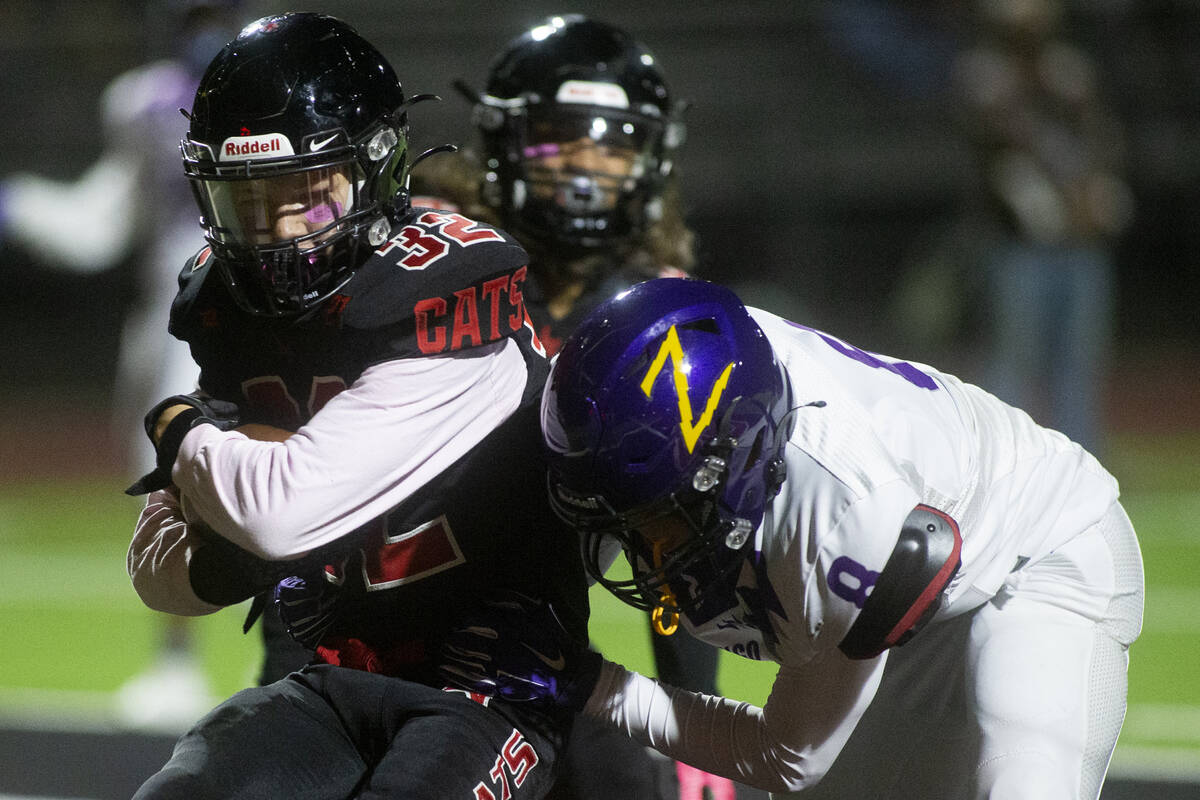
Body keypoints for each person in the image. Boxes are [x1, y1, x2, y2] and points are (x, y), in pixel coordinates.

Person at [439, 277, 1145, 799]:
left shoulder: (844, 523)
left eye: (651, 517)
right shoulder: (714, 396)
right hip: (906, 598)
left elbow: (786, 759)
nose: (635, 546)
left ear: (736, 465)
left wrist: (592, 684)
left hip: (1040, 554)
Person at [125, 13, 588, 798]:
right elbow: (154, 573)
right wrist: (222, 556)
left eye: (304, 196)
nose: (277, 236)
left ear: (376, 170)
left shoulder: (442, 295)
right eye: (249, 202)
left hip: (490, 683)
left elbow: (279, 510)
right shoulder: (230, 312)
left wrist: (180, 431)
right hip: (337, 666)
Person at [425, 16, 752, 800]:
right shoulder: (437, 260)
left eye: (612, 144)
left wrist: (696, 732)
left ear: (651, 158)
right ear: (502, 140)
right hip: (388, 624)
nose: (584, 163)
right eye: (556, 136)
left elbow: (675, 548)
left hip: (535, 657)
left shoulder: (662, 311)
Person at [0, 0, 245, 731]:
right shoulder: (143, 102)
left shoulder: (278, 92)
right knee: (161, 477)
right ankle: (177, 658)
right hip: (168, 316)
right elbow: (110, 220)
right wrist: (21, 206)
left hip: (256, 306)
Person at [952, 0, 1133, 456]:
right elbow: (996, 142)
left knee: (1077, 363)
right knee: (1014, 359)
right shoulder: (984, 73)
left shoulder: (1068, 68)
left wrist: (1095, 192)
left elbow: (1100, 137)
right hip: (1018, 244)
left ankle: (1080, 459)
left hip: (1079, 241)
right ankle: (1000, 458)